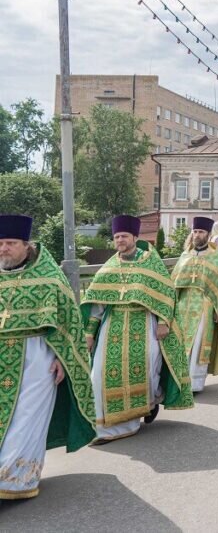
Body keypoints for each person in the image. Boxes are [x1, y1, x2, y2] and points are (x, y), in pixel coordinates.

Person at [0, 214, 95, 500]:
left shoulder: (50, 277)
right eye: (0, 243)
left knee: (27, 418)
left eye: (10, 243)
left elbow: (70, 323)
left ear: (26, 245)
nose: (4, 249)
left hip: (37, 357)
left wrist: (62, 358)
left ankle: (13, 481)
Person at [82, 215, 193, 443]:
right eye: (116, 237)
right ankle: (104, 426)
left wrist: (163, 323)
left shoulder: (150, 262)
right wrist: (89, 334)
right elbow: (96, 304)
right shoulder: (110, 266)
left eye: (124, 236)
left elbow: (166, 294)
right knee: (99, 375)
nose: (120, 240)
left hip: (143, 324)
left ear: (134, 237)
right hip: (112, 328)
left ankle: (144, 407)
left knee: (145, 373)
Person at [171, 216, 218, 393]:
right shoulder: (185, 255)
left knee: (198, 342)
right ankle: (180, 379)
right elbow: (174, 281)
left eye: (201, 232)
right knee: (181, 341)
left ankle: (195, 383)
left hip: (205, 304)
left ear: (208, 234)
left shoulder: (215, 256)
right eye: (195, 231)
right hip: (183, 304)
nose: (197, 235)